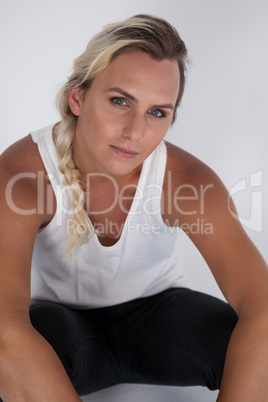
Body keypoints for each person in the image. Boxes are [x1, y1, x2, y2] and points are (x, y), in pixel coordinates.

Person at [0, 14, 267, 402]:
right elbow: (6, 328)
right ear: (78, 98)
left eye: (157, 112)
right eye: (119, 101)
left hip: (161, 320)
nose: (135, 131)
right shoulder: (21, 177)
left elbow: (261, 307)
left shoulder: (188, 180)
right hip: (64, 333)